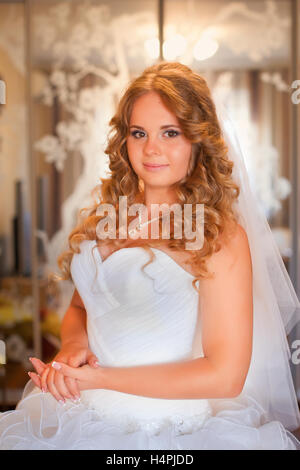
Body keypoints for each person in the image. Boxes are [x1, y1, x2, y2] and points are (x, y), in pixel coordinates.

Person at [0, 62, 300, 450]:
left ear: (198, 139)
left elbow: (224, 376)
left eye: (170, 132)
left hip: (167, 435)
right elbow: (81, 306)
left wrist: (100, 378)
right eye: (138, 133)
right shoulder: (107, 216)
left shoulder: (218, 236)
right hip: (78, 419)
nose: (151, 148)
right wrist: (74, 345)